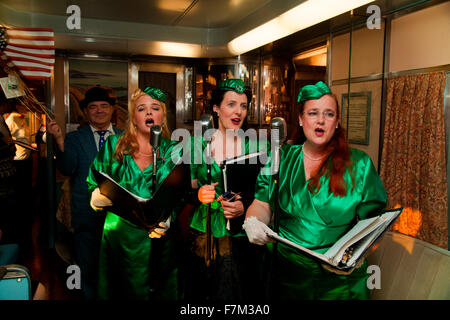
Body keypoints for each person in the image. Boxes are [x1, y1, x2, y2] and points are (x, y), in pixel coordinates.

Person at [243, 81, 387, 300]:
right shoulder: (280, 157)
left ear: (337, 122)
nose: (321, 120)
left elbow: (372, 225)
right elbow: (262, 203)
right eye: (313, 113)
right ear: (301, 119)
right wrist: (253, 222)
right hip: (286, 276)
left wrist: (348, 257)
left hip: (338, 280)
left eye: (329, 114)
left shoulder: (360, 165)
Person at [86, 86, 184, 300]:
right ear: (133, 117)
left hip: (159, 240)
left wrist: (168, 218)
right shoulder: (114, 145)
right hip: (119, 239)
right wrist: (96, 195)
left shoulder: (175, 151)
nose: (148, 113)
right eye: (142, 108)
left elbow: (179, 196)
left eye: (155, 108)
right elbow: (93, 180)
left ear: (163, 116)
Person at [186, 79, 267, 300]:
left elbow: (265, 191)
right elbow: (186, 190)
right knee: (205, 293)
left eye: (243, 105)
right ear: (215, 108)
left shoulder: (257, 147)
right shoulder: (197, 145)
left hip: (242, 235)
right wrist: (199, 194)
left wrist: (245, 205)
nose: (238, 111)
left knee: (241, 292)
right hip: (205, 233)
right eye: (231, 104)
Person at [46, 86, 123, 300]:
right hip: (86, 215)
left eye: (104, 106)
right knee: (87, 267)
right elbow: (68, 168)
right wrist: (60, 141)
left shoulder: (124, 138)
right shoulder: (74, 138)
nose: (99, 111)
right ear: (86, 112)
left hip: (119, 216)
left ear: (112, 110)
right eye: (93, 107)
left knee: (115, 267)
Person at [5, 100, 36, 249]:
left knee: (26, 188)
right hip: (17, 159)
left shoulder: (22, 119)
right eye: (24, 105)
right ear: (16, 106)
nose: (26, 108)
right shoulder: (11, 119)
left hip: (26, 157)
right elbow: (8, 139)